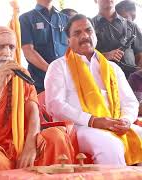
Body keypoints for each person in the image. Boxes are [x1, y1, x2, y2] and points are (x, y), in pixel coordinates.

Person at [0, 26, 74, 178]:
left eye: (11, 47)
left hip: (23, 145)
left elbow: (33, 115)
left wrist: (30, 146)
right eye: (1, 47)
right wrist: (0, 84)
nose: (7, 52)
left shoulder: (22, 76)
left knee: (56, 136)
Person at [45, 14, 142, 165]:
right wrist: (92, 121)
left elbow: (130, 101)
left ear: (95, 34)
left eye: (88, 30)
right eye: (77, 33)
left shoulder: (112, 67)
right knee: (110, 145)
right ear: (68, 40)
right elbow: (55, 105)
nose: (84, 36)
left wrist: (126, 120)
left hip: (115, 123)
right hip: (79, 127)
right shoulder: (58, 66)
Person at [19, 0, 69, 93]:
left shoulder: (65, 19)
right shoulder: (25, 19)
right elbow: (28, 51)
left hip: (65, 81)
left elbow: (72, 49)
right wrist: (51, 70)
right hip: (39, 83)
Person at [92, 0, 142, 78]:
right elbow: (84, 58)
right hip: (103, 81)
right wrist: (105, 56)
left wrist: (136, 78)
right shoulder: (89, 27)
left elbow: (140, 56)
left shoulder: (132, 26)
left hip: (130, 82)